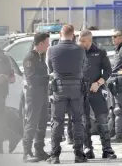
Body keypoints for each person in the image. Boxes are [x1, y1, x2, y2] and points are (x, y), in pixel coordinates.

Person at [46, 25, 87, 164]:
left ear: (60, 34)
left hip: (59, 88)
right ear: (73, 35)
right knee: (77, 121)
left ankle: (55, 156)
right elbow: (84, 67)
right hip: (76, 88)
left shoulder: (51, 49)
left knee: (57, 121)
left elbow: (50, 68)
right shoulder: (80, 50)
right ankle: (79, 155)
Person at [78, 29, 117, 159]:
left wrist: (98, 83)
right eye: (79, 40)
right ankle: (88, 148)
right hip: (82, 92)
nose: (80, 42)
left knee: (102, 120)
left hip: (96, 91)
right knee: (85, 122)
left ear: (89, 41)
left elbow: (108, 70)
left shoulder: (100, 52)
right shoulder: (77, 52)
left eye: (82, 41)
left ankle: (107, 149)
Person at [22, 33, 50, 162]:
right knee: (32, 123)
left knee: (42, 123)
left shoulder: (41, 56)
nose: (48, 45)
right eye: (47, 43)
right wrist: (48, 78)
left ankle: (39, 150)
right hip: (34, 95)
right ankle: (26, 152)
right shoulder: (30, 58)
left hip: (43, 94)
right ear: (40, 44)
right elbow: (31, 78)